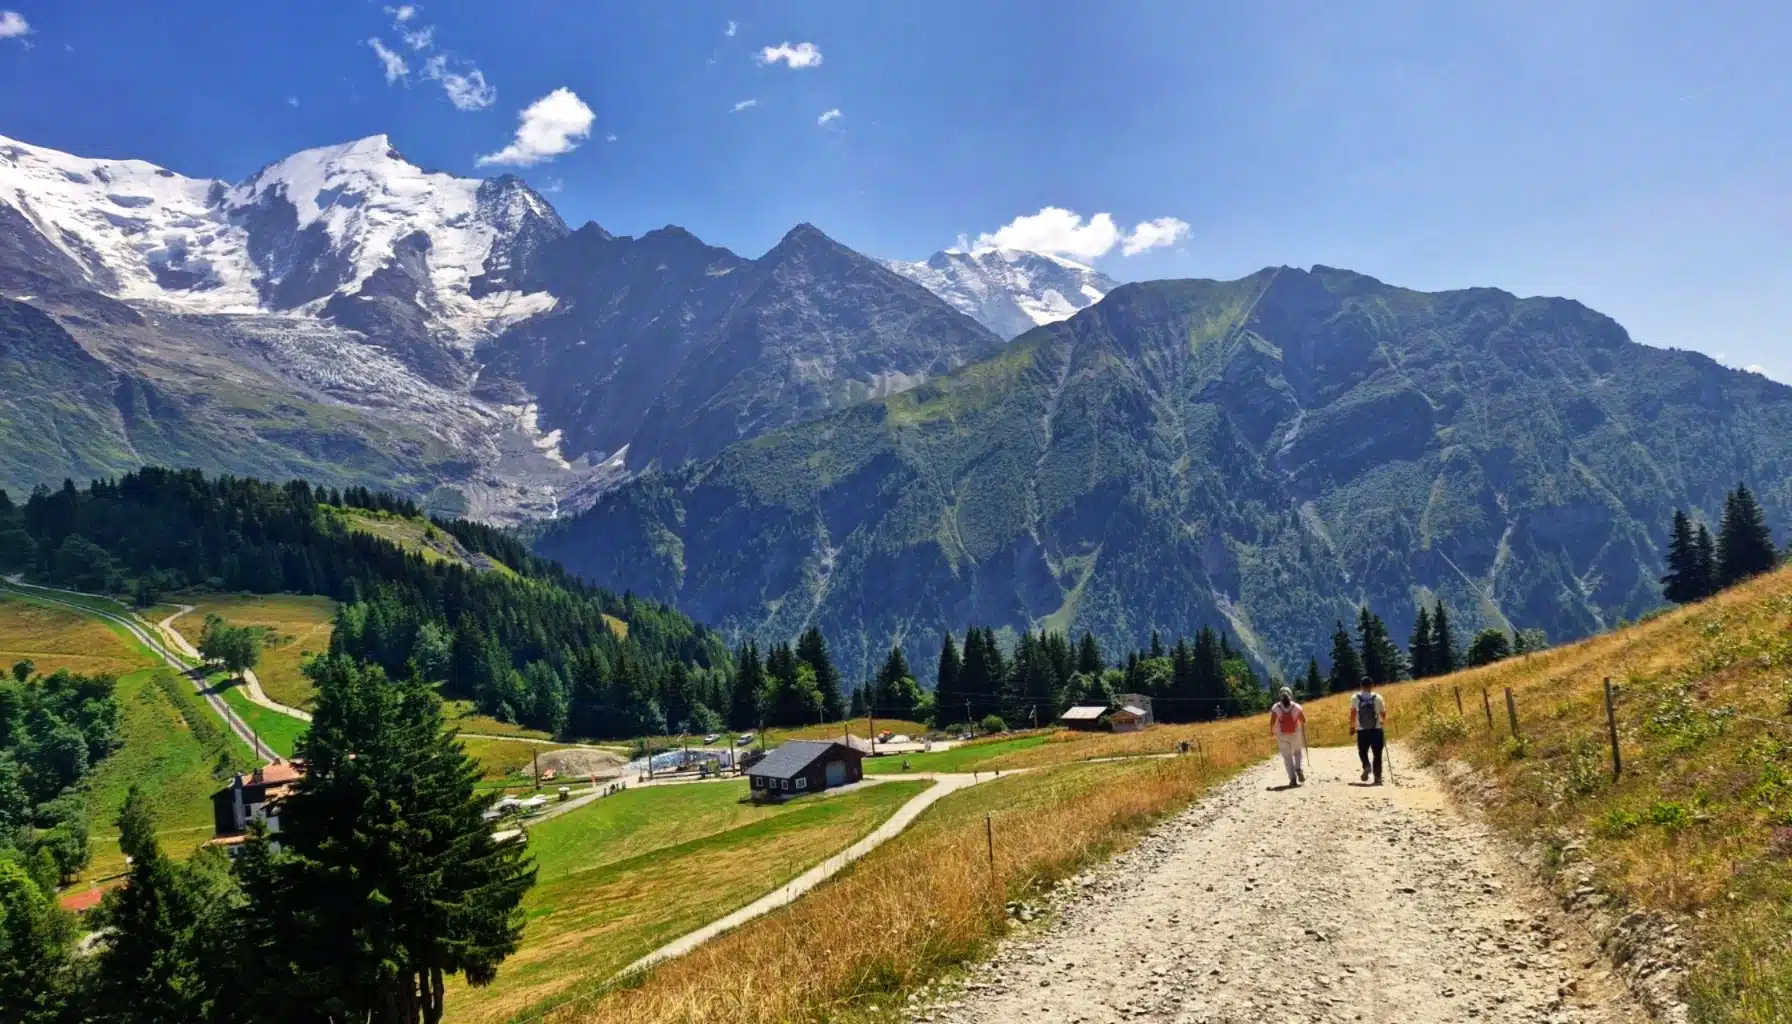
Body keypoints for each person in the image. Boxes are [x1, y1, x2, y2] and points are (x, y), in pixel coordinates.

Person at [1350, 677, 1388, 785]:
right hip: (1376, 730)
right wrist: (1382, 722)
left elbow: (1353, 714)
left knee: (1362, 751)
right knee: (1377, 754)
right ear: (1371, 685)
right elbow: (1383, 714)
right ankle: (1378, 778)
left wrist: (1352, 726)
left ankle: (1366, 766)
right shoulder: (1378, 697)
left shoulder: (1355, 698)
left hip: (1362, 730)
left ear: (1361, 686)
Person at [1268, 686, 1307, 786]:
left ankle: (1292, 778)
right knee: (1298, 752)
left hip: (1282, 735)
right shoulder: (1296, 706)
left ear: (1280, 696)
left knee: (1287, 757)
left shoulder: (1276, 707)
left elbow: (1272, 722)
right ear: (1291, 695)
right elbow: (1303, 720)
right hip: (1295, 733)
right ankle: (1298, 768)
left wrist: (1272, 731)